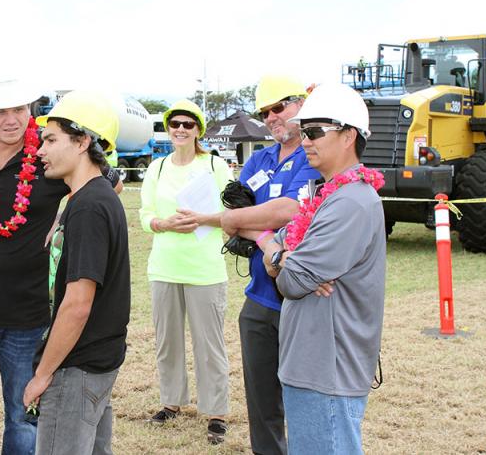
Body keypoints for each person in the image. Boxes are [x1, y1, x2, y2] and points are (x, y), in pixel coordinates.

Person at [0, 81, 121, 455]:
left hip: (29, 320)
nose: (11, 119)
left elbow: (107, 182)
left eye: (18, 109)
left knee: (24, 421)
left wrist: (65, 216)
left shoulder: (51, 149)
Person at [261, 83, 385, 454]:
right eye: (304, 132)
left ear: (348, 136)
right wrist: (283, 256)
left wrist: (283, 260)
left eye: (315, 132)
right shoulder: (327, 195)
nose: (305, 141)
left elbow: (293, 280)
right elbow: (282, 252)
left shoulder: (351, 203)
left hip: (326, 371)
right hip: (312, 364)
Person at [23, 90, 130, 455]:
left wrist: (42, 375)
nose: (41, 150)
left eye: (51, 140)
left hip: (77, 367)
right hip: (97, 361)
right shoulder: (94, 197)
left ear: (83, 141)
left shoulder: (89, 207)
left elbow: (78, 304)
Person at [220, 74, 320, 455]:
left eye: (280, 107)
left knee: (303, 401)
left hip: (302, 299)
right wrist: (266, 242)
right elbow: (233, 216)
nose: (272, 117)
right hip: (259, 300)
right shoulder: (259, 158)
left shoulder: (312, 153)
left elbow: (292, 209)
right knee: (262, 405)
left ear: (301, 105)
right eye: (266, 111)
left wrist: (251, 221)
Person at [138, 99, 232, 444]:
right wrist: (161, 223)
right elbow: (144, 214)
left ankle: (217, 412)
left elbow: (231, 213)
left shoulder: (215, 166)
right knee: (167, 343)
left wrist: (201, 220)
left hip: (205, 270)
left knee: (209, 345)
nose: (179, 129)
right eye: (173, 123)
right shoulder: (156, 168)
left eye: (187, 124)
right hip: (163, 268)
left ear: (198, 130)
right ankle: (171, 402)